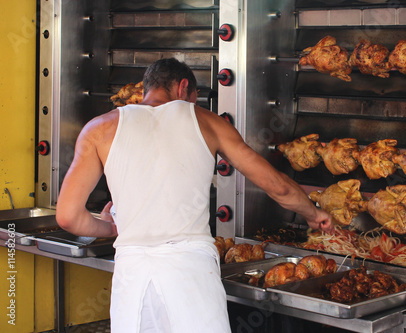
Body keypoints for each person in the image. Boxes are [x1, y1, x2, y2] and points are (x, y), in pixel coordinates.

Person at [56, 58, 334, 332]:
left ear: (145, 89)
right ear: (183, 88)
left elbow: (68, 217)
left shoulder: (98, 129)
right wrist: (314, 214)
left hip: (133, 277)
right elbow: (278, 186)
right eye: (194, 99)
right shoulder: (207, 122)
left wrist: (110, 226)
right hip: (191, 273)